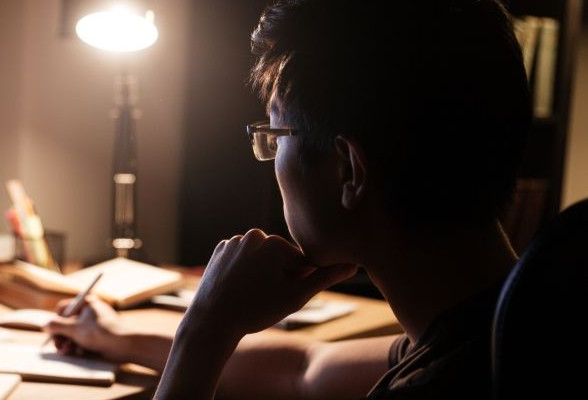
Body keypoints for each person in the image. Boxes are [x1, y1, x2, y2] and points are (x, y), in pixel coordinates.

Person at [47, 0, 532, 398]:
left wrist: (204, 333)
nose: (271, 156)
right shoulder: (504, 324)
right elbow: (305, 368)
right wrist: (115, 337)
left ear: (348, 170)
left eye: (277, 136)